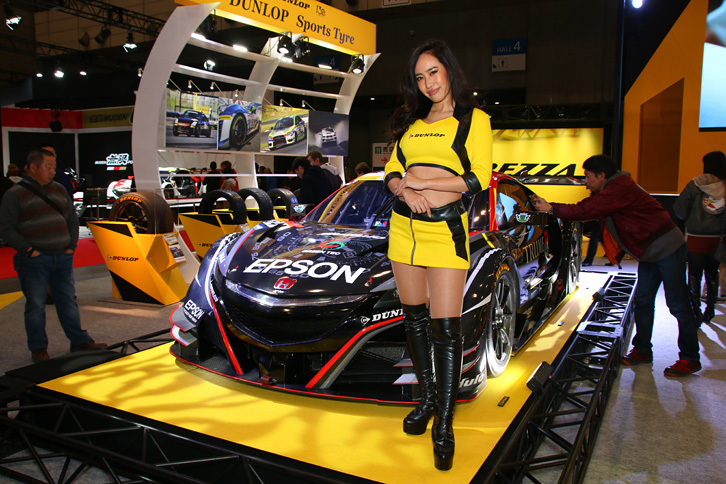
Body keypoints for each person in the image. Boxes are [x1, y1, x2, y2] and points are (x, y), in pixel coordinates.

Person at [384, 39, 492, 471]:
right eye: (420, 77)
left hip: (446, 231)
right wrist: (404, 189)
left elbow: (478, 178)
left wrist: (425, 184)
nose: (428, 83)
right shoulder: (411, 122)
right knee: (414, 321)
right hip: (402, 229)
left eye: (433, 72)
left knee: (446, 330)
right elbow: (392, 169)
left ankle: (445, 424)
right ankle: (427, 399)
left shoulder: (474, 119)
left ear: (448, 70)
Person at [531, 155, 701, 377]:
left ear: (602, 175)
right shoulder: (610, 189)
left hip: (667, 247)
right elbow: (586, 208)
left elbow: (585, 211)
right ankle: (642, 350)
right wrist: (550, 207)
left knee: (677, 304)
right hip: (650, 251)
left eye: (588, 176)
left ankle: (690, 358)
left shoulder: (618, 188)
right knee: (643, 301)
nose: (585, 181)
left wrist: (550, 208)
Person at [0, 149, 107, 363]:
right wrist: (29, 251)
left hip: (62, 256)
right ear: (32, 167)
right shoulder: (15, 194)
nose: (52, 171)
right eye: (47, 167)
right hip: (34, 260)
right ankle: (39, 348)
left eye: (54, 167)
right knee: (36, 305)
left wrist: (71, 246)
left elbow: (72, 219)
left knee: (67, 300)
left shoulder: (59, 189)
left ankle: (79, 340)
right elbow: (6, 229)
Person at [673, 150, 726, 323]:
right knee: (712, 274)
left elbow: (680, 211)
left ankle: (696, 313)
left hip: (696, 237)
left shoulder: (695, 184)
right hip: (718, 238)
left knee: (694, 275)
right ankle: (710, 309)